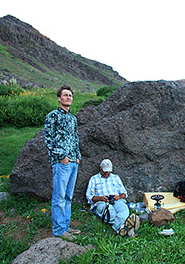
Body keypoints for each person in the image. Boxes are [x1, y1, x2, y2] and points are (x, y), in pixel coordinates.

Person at [44, 85, 82, 241]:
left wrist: (78, 156)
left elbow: (75, 139)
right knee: (59, 196)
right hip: (61, 162)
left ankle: (65, 226)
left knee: (68, 196)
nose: (69, 98)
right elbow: (48, 139)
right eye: (65, 95)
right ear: (59, 98)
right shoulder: (53, 116)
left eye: (70, 95)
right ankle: (59, 230)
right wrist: (61, 157)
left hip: (74, 162)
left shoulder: (73, 119)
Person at [86, 159, 140, 237]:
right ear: (100, 169)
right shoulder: (94, 179)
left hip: (116, 200)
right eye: (105, 172)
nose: (107, 173)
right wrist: (100, 198)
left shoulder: (116, 177)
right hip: (102, 202)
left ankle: (122, 229)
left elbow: (124, 194)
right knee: (110, 213)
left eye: (109, 172)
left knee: (124, 209)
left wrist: (119, 197)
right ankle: (125, 228)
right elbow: (89, 197)